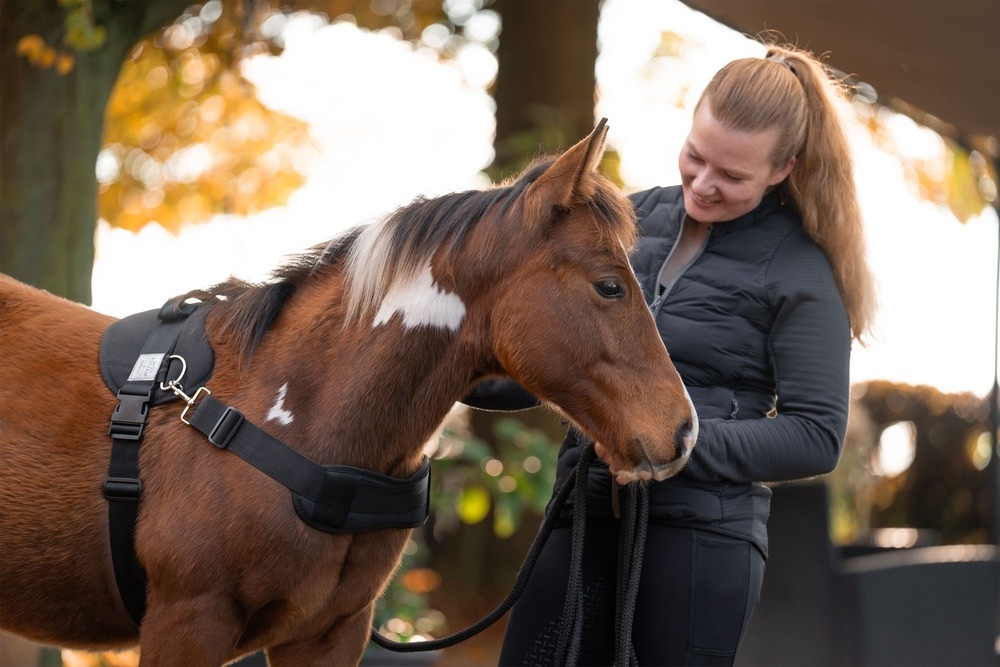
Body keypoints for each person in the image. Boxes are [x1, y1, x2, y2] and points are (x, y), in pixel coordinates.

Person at [466, 42, 876, 666]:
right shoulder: (626, 219)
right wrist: (454, 366)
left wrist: (675, 445)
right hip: (580, 516)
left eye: (732, 176)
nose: (704, 185)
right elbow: (560, 364)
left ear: (783, 169)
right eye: (695, 157)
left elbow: (817, 435)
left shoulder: (802, 273)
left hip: (699, 541)